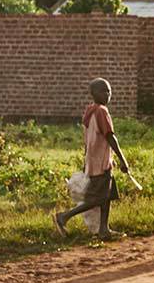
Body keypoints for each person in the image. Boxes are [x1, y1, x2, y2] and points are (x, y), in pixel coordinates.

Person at [53, 78, 131, 238]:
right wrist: (123, 160)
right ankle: (64, 216)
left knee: (106, 196)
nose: (108, 94)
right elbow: (110, 137)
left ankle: (104, 229)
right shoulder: (102, 111)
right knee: (97, 198)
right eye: (104, 91)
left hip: (95, 161)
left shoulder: (90, 111)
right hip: (101, 164)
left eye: (109, 91)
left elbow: (91, 140)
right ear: (94, 93)